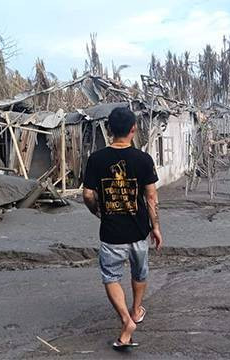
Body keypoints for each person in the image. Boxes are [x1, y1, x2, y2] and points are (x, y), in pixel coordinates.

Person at [82, 106, 163, 349]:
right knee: (139, 273)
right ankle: (136, 310)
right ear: (133, 129)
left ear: (109, 130)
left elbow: (87, 194)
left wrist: (98, 210)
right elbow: (151, 198)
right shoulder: (143, 159)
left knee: (111, 278)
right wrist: (155, 228)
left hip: (111, 233)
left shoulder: (96, 159)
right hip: (139, 231)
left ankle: (127, 321)